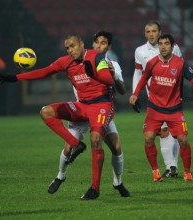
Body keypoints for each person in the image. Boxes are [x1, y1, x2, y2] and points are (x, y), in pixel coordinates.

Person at [0, 35, 115, 200]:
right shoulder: (65, 62)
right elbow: (44, 72)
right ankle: (76, 145)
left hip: (101, 105)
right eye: (67, 48)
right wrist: (15, 78)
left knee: (96, 140)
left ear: (81, 44)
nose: (70, 50)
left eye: (73, 46)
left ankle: (95, 189)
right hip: (82, 105)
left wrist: (93, 73)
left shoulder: (95, 57)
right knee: (46, 112)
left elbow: (109, 80)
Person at [47, 31, 130, 198]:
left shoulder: (112, 64)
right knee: (68, 148)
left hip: (99, 111)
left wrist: (114, 75)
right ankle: (60, 175)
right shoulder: (77, 60)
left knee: (117, 147)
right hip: (81, 111)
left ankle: (118, 182)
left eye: (103, 43)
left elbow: (121, 90)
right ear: (91, 45)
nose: (99, 45)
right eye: (97, 42)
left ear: (109, 47)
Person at [129, 33, 193, 182]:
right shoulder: (152, 63)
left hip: (174, 109)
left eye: (166, 44)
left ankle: (188, 172)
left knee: (183, 139)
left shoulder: (180, 64)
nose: (163, 47)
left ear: (172, 46)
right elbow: (144, 78)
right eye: (161, 44)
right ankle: (155, 172)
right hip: (154, 108)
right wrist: (135, 94)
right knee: (149, 138)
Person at [132, 21, 182, 178]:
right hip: (153, 98)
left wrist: (179, 92)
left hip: (172, 96)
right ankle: (171, 166)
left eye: (154, 31)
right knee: (162, 130)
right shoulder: (140, 51)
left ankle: (171, 166)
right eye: (148, 31)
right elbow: (138, 73)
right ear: (145, 33)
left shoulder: (175, 48)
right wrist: (135, 93)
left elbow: (179, 69)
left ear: (160, 32)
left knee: (170, 131)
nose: (151, 34)